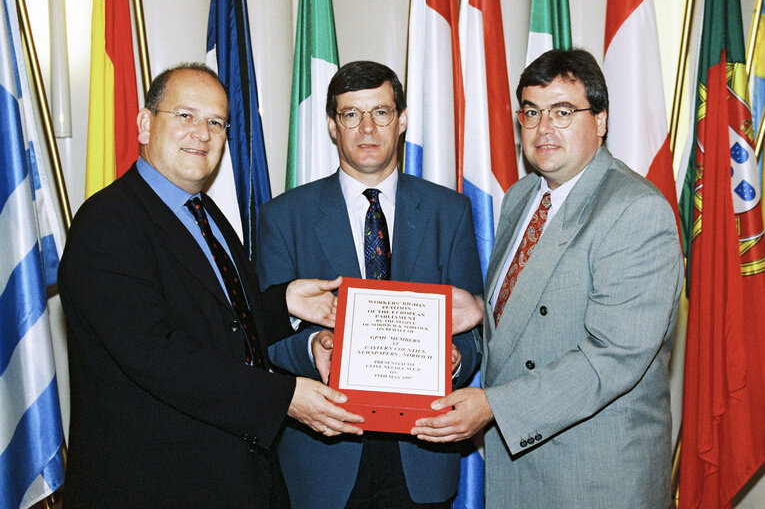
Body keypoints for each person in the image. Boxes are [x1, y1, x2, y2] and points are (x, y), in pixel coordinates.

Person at [58, 63, 364, 508]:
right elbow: (157, 355)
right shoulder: (108, 223)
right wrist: (285, 397)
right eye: (185, 115)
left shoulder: (205, 214)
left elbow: (220, 321)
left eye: (216, 122)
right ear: (146, 124)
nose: (202, 133)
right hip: (151, 487)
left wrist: (284, 305)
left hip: (233, 477)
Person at [411, 49, 684, 508]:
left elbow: (613, 357)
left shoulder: (635, 209)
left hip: (594, 474)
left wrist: (494, 405)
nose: (543, 128)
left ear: (600, 120)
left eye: (562, 112)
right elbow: (537, 305)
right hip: (521, 468)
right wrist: (482, 308)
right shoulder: (522, 195)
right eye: (532, 112)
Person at [255, 60, 483, 508]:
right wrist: (311, 346)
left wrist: (455, 359)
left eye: (380, 112)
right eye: (351, 114)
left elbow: (474, 323)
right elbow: (266, 334)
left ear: (401, 121)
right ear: (331, 126)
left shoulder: (449, 211)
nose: (367, 127)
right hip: (324, 455)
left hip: (423, 451)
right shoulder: (283, 217)